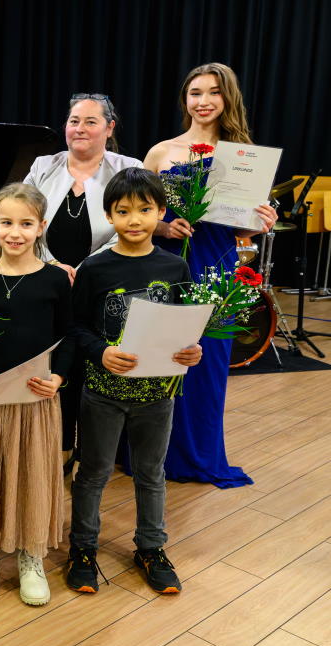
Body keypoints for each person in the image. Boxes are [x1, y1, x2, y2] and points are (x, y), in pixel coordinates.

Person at [66, 168, 202, 596]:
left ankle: (151, 548)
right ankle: (82, 549)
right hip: (103, 392)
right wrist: (101, 351)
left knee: (150, 472)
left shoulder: (175, 265)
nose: (135, 219)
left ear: (160, 212)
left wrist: (192, 350)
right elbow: (76, 327)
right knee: (93, 472)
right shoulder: (95, 268)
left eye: (145, 210)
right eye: (123, 211)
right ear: (109, 215)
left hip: (158, 393)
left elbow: (184, 328)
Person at [143, 63, 277, 488]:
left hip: (215, 266)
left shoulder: (244, 155)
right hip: (164, 264)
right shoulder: (161, 152)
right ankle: (146, 455)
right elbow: (139, 215)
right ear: (185, 100)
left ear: (227, 99)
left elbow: (238, 228)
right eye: (195, 92)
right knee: (158, 360)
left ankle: (198, 455)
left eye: (213, 93)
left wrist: (259, 225)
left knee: (207, 365)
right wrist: (163, 227)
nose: (203, 101)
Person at [0, 183, 73, 607]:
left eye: (26, 224)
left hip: (37, 398)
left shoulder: (55, 280)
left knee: (34, 471)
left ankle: (31, 554)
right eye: (6, 222)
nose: (15, 232)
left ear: (41, 226)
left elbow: (70, 335)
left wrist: (59, 377)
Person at [23, 95, 143, 464]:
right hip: (46, 281)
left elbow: (131, 224)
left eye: (91, 121)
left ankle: (92, 456)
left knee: (89, 366)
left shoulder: (128, 168)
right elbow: (23, 215)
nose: (80, 128)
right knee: (53, 367)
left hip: (102, 286)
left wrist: (86, 266)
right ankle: (52, 450)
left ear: (109, 127)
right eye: (74, 120)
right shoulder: (44, 165)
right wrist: (53, 263)